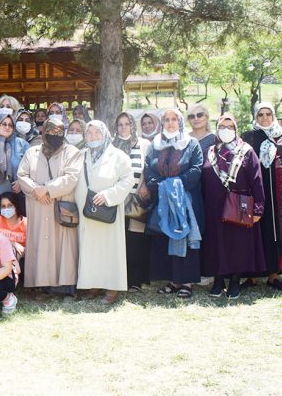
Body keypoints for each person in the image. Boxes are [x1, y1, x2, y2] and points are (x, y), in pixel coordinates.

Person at [201, 113, 265, 299]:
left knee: (237, 243)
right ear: (217, 129)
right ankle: (219, 279)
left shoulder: (247, 151)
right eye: (222, 127)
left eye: (230, 127)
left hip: (239, 205)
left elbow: (257, 180)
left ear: (236, 129)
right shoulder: (209, 152)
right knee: (216, 243)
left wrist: (258, 208)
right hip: (213, 206)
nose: (226, 130)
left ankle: (235, 280)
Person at [17, 117, 82, 297]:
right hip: (37, 205)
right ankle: (39, 284)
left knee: (63, 245)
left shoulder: (72, 152)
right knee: (39, 242)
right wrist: (35, 190)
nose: (55, 135)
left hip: (60, 205)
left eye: (60, 131)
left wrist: (46, 189)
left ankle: (65, 286)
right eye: (51, 131)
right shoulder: (32, 152)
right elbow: (22, 175)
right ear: (44, 131)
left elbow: (71, 178)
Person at [145, 108, 204, 299]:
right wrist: (162, 186)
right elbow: (148, 169)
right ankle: (173, 280)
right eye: (167, 119)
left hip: (185, 199)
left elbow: (196, 169)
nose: (170, 123)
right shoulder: (155, 145)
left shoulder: (191, 143)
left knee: (183, 237)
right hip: (162, 199)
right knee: (165, 238)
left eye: (174, 119)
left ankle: (186, 282)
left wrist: (174, 184)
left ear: (179, 122)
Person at [74, 120, 133, 304]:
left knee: (109, 251)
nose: (93, 136)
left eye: (97, 133)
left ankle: (112, 288)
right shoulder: (81, 155)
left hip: (107, 210)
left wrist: (109, 195)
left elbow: (128, 179)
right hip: (86, 211)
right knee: (90, 251)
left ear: (105, 134)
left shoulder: (118, 156)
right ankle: (93, 284)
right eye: (89, 133)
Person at [240, 102, 282, 290]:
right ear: (255, 117)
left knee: (274, 232)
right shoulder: (248, 137)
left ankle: (273, 275)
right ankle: (251, 276)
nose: (265, 117)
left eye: (268, 114)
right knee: (254, 232)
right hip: (255, 192)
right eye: (261, 114)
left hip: (279, 194)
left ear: (274, 115)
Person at [113, 112, 152, 292]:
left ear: (133, 125)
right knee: (119, 240)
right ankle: (120, 278)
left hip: (137, 199)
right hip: (117, 200)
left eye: (127, 124)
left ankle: (136, 280)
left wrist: (145, 184)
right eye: (120, 124)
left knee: (136, 240)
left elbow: (150, 167)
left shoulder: (144, 144)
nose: (123, 127)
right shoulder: (112, 145)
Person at [0, 112, 29, 208]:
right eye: (4, 124)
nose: (7, 127)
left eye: (10, 125)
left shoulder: (22, 144)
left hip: (17, 195)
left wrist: (22, 182)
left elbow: (32, 168)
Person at [0, 192, 26, 259]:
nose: (6, 209)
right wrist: (12, 243)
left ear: (16, 206)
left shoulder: (26, 223)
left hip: (21, 257)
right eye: (3, 206)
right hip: (1, 256)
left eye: (10, 205)